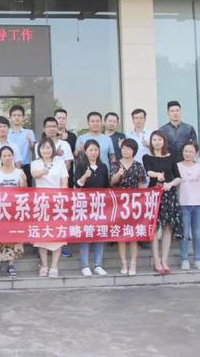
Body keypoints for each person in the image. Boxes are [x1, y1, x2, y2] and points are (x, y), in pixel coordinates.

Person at [143, 130, 182, 275]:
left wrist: (170, 184)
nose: (157, 142)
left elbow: (178, 177)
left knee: (167, 228)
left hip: (169, 195)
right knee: (154, 227)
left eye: (160, 139)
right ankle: (156, 259)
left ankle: (165, 260)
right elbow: (148, 172)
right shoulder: (147, 157)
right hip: (153, 195)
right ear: (151, 142)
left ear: (164, 141)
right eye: (154, 140)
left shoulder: (171, 157)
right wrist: (158, 175)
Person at [31, 138, 68, 278]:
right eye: (43, 148)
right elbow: (34, 175)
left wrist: (61, 198)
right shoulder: (35, 163)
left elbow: (64, 182)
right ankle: (44, 265)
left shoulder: (59, 162)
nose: (46, 150)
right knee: (42, 235)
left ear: (52, 149)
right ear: (39, 150)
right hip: (42, 203)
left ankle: (54, 266)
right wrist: (43, 171)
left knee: (57, 234)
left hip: (57, 203)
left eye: (48, 147)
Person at [110, 138, 147, 275]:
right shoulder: (115, 164)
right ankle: (124, 264)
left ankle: (133, 263)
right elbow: (111, 182)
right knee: (121, 235)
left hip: (134, 204)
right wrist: (118, 174)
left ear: (134, 151)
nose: (126, 151)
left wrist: (141, 204)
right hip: (119, 204)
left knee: (133, 235)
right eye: (124, 148)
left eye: (129, 149)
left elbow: (141, 185)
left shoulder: (138, 165)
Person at [0, 146, 25, 278]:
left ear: (13, 156)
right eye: (4, 156)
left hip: (15, 210)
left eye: (9, 155)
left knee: (13, 236)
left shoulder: (19, 172)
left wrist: (23, 181)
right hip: (0, 209)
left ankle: (11, 264)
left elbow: (24, 191)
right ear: (0, 158)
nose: (7, 158)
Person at [75, 140, 110, 276]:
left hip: (100, 205)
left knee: (99, 233)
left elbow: (106, 186)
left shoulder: (103, 167)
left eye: (96, 150)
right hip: (84, 205)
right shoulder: (81, 165)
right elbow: (76, 185)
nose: (94, 152)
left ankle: (98, 264)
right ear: (85, 151)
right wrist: (85, 176)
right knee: (85, 233)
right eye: (91, 150)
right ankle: (85, 265)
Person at [178, 142, 200, 271]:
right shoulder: (177, 166)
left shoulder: (199, 166)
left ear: (196, 154)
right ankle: (184, 259)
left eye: (191, 152)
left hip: (199, 205)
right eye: (186, 151)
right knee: (184, 234)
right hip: (183, 204)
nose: (188, 154)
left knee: (197, 233)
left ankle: (198, 259)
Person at [53, 110, 77, 258]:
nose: (60, 120)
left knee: (63, 214)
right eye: (58, 118)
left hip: (64, 182)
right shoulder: (45, 140)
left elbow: (69, 163)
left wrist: (61, 178)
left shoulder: (71, 138)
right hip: (47, 185)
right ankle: (45, 244)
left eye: (63, 118)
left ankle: (63, 244)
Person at [8, 104, 36, 185]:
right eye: (14, 115)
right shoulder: (7, 133)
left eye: (19, 115)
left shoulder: (29, 132)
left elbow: (33, 148)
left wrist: (30, 141)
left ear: (23, 117)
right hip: (9, 166)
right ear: (10, 118)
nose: (17, 117)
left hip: (25, 166)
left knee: (26, 190)